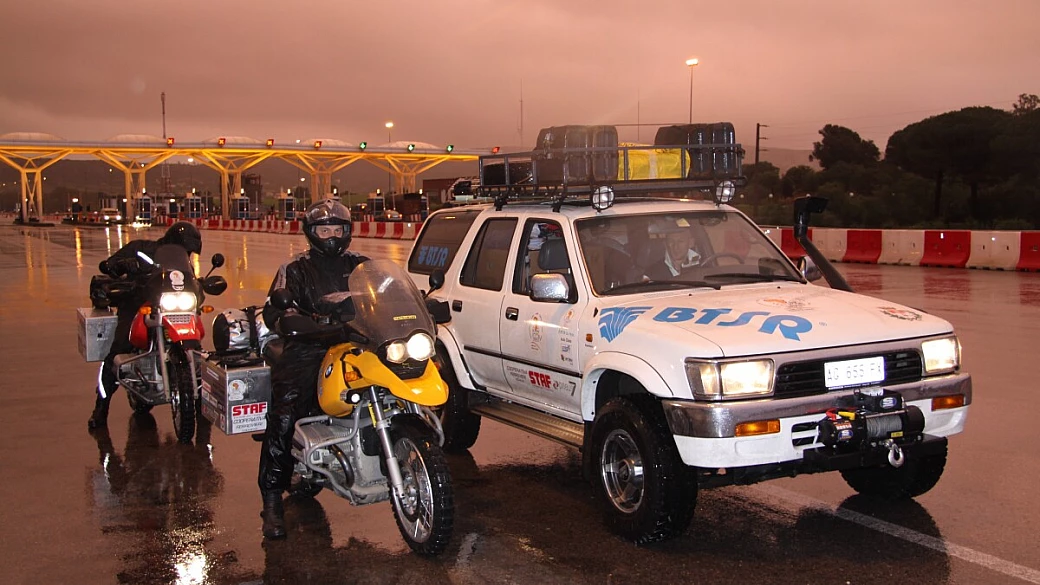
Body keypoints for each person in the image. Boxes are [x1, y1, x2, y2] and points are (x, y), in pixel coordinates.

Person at [258, 199, 369, 539]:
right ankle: (272, 499)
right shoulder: (295, 269)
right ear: (311, 233)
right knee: (285, 409)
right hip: (309, 345)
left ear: (347, 232)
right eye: (324, 229)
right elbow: (273, 310)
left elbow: (385, 294)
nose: (332, 236)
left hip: (354, 342)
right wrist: (291, 319)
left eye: (338, 229)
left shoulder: (362, 265)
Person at [87, 221, 204, 430]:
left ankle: (201, 403)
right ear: (173, 242)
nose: (187, 254)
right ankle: (101, 407)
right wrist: (122, 265)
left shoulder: (183, 265)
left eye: (189, 252)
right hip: (137, 305)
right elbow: (109, 265)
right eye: (186, 249)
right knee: (117, 351)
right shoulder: (139, 248)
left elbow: (192, 284)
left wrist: (200, 289)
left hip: (172, 309)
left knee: (197, 348)